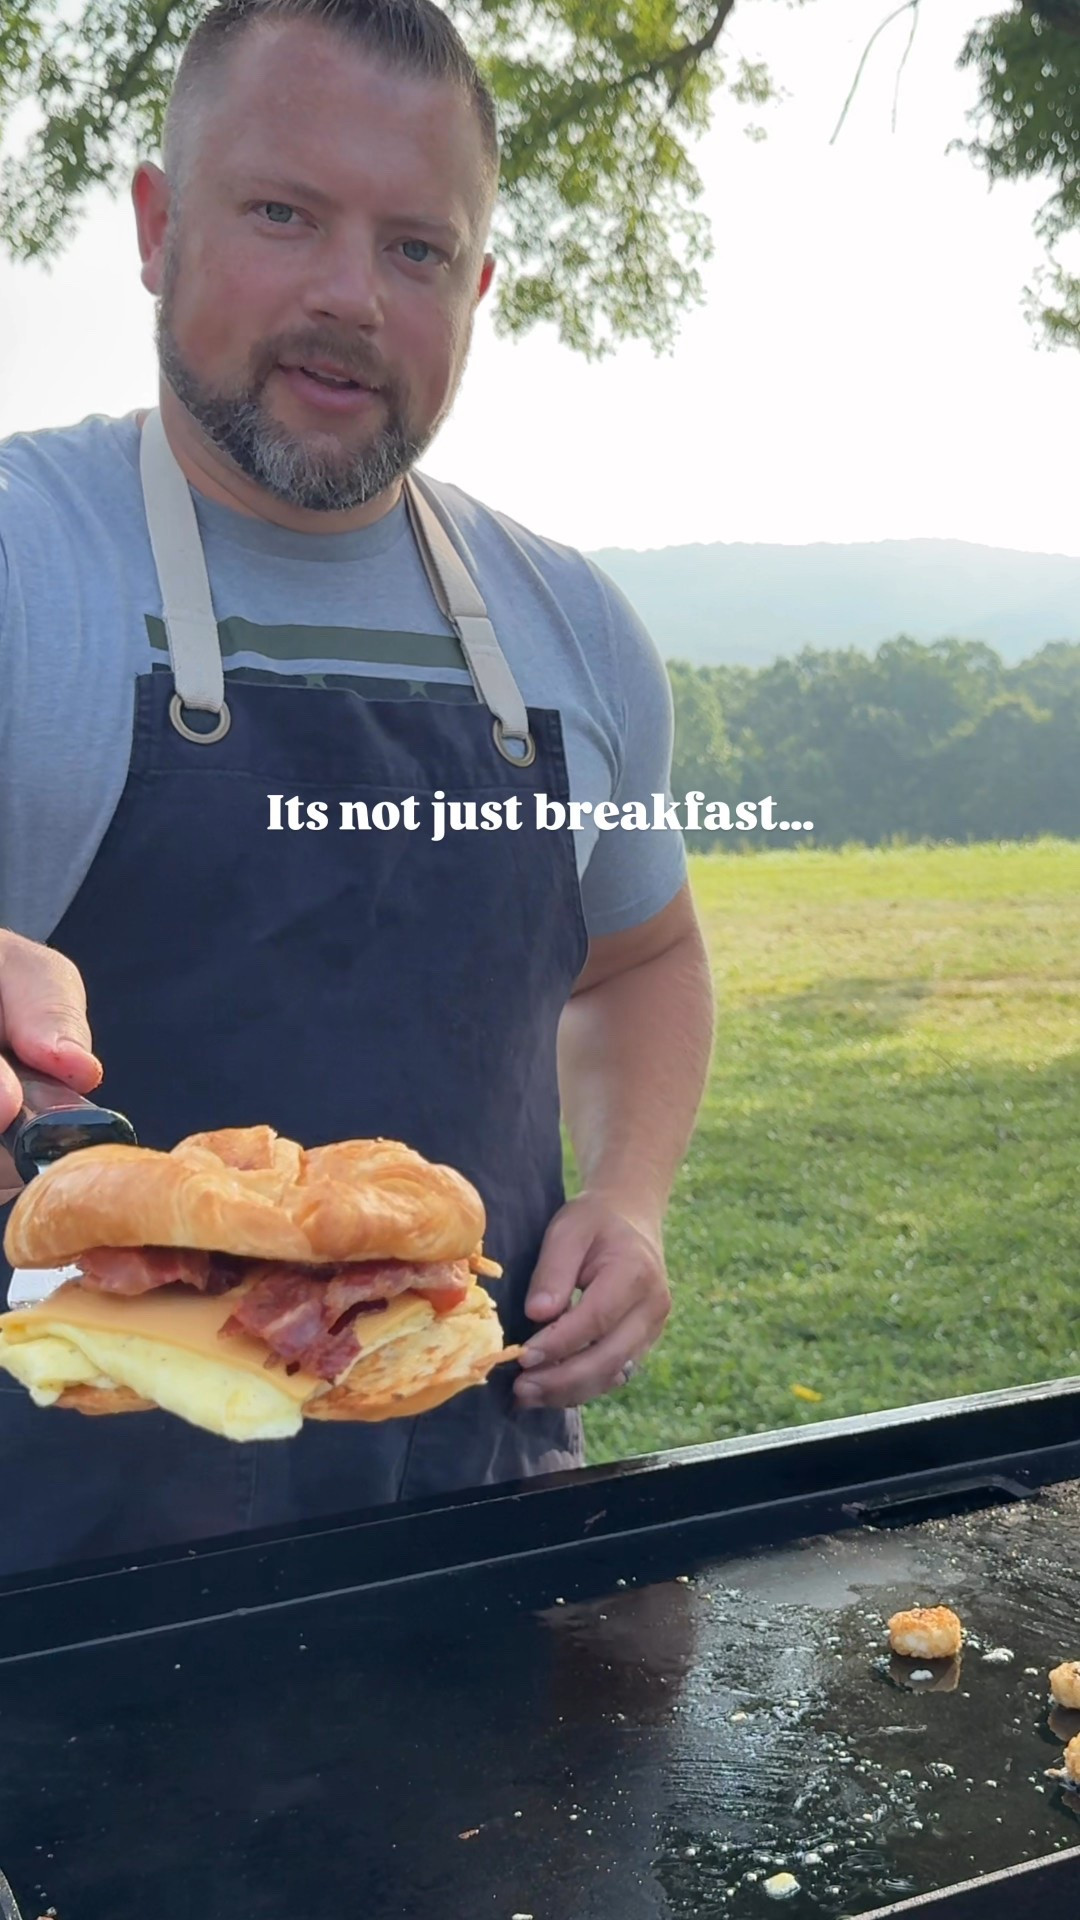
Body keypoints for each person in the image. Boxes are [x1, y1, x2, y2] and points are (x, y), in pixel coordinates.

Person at [0, 0, 714, 1575]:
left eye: (413, 248)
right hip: (61, 1582)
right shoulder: (22, 561)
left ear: (473, 288)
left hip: (487, 1531)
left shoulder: (570, 627)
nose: (347, 298)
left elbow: (645, 955)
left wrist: (637, 1197)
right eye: (282, 213)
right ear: (155, 222)